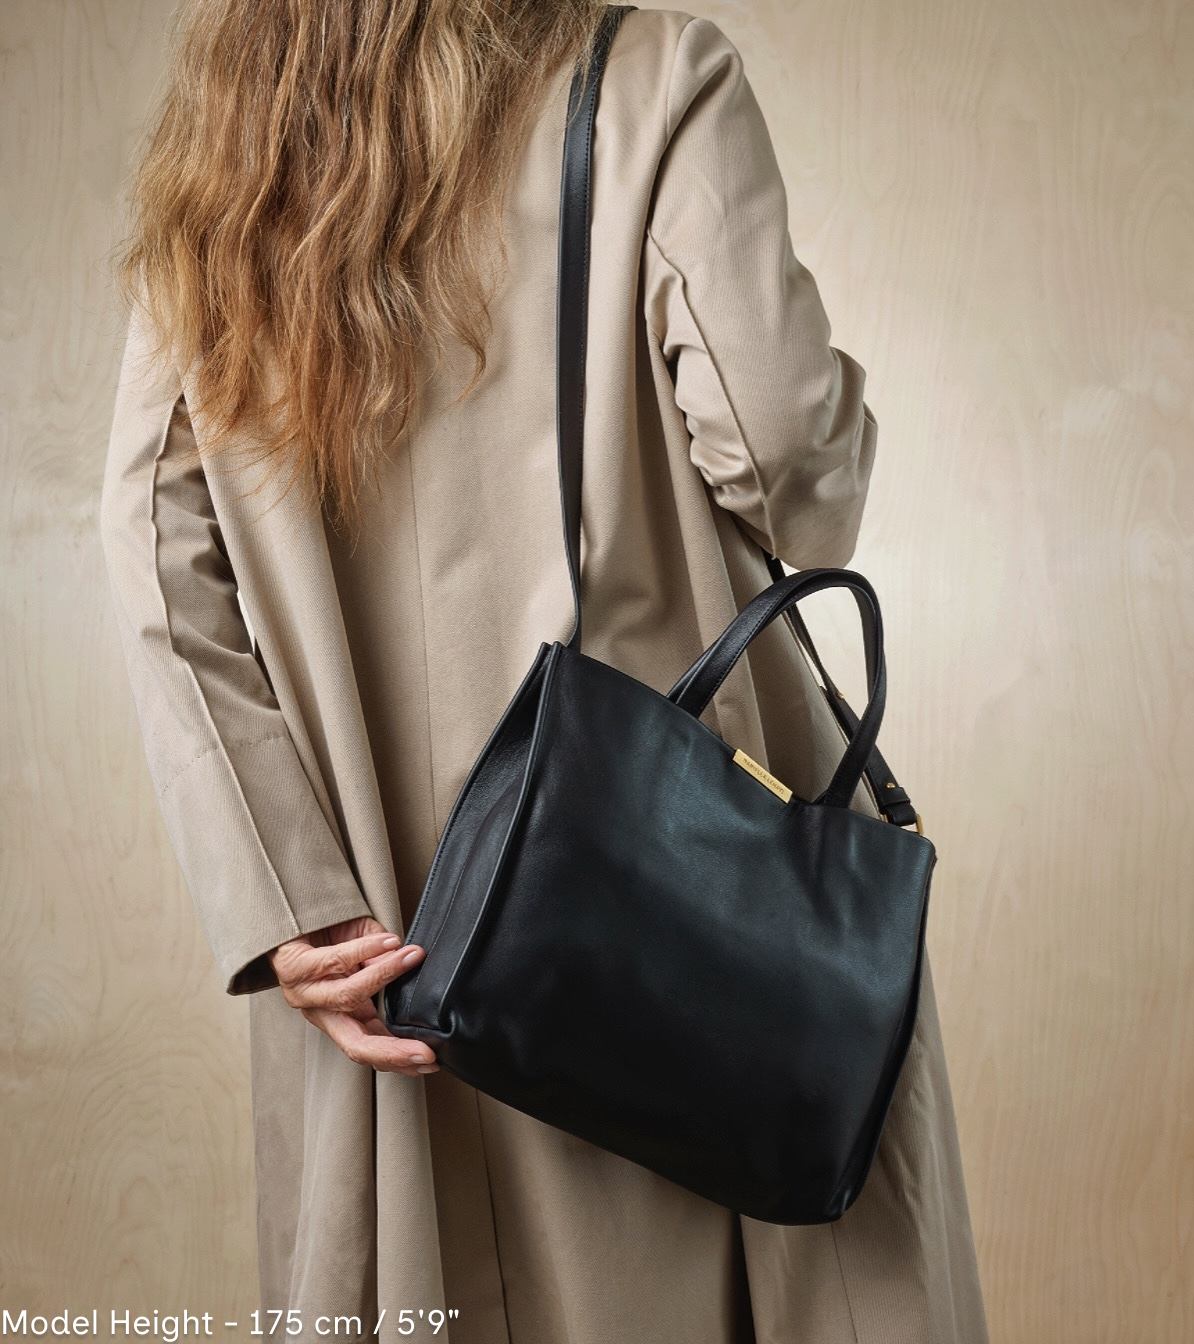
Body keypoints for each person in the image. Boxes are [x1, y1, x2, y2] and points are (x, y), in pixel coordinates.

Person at [99, 2, 989, 1341]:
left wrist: (290, 897)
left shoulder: (234, 145)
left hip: (378, 951)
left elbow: (153, 539)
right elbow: (785, 461)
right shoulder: (653, 78)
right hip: (671, 908)